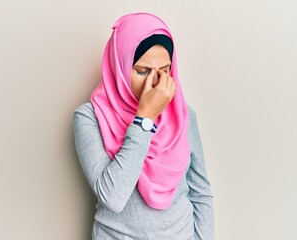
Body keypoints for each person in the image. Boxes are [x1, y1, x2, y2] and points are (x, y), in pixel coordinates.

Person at [73, 12, 214, 240]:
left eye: (165, 70)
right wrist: (144, 118)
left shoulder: (184, 115)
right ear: (119, 66)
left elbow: (201, 193)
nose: (155, 82)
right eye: (142, 71)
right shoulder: (89, 117)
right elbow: (113, 197)